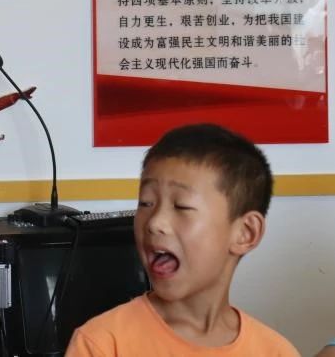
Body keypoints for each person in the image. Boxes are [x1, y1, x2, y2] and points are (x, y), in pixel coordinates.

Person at [66, 123, 300, 356]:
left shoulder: (276, 351)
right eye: (146, 203)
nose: (155, 222)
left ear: (245, 233)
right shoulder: (101, 344)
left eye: (181, 206)